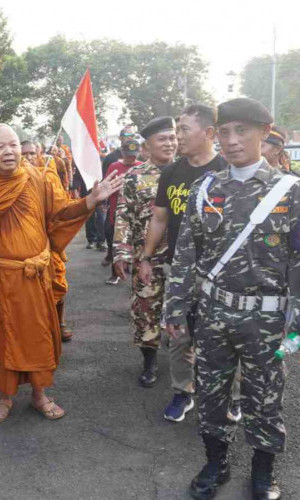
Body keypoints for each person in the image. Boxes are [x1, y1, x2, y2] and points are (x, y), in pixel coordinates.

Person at [0, 124, 124, 423]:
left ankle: (40, 395)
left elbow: (61, 214)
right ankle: (4, 395)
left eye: (13, 144)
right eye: (0, 147)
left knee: (39, 336)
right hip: (0, 277)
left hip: (35, 275)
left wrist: (92, 200)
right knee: (2, 339)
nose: (9, 151)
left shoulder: (39, 177)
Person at [165, 98, 299, 500]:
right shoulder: (206, 188)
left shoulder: (289, 192)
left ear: (265, 133)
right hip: (214, 313)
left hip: (266, 319)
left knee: (265, 396)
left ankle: (263, 472)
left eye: (242, 131)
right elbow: (187, 252)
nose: (232, 141)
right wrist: (174, 305)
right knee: (211, 392)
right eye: (225, 132)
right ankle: (215, 462)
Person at [138, 105, 227, 423]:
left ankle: (229, 397)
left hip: (222, 274)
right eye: (176, 131)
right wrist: (146, 257)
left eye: (184, 130)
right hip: (181, 269)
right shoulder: (172, 172)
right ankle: (183, 392)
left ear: (208, 133)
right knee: (179, 334)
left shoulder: (226, 170)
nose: (177, 137)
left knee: (225, 337)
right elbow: (160, 217)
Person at [113, 116, 177, 388]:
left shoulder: (189, 173)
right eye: (162, 139)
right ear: (148, 145)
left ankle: (186, 362)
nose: (170, 143)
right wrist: (121, 252)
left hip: (183, 258)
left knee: (185, 311)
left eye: (173, 138)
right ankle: (150, 361)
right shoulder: (135, 177)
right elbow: (123, 215)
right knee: (146, 310)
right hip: (146, 258)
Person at [21, 140, 74, 342]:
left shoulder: (48, 176)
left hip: (48, 239)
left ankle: (60, 323)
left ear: (39, 154)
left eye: (32, 153)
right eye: (24, 154)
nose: (28, 157)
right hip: (24, 242)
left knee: (58, 282)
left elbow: (62, 207)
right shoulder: (11, 179)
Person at [103, 139, 142, 284]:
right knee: (115, 242)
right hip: (116, 213)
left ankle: (133, 271)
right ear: (122, 153)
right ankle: (115, 273)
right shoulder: (114, 167)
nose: (131, 158)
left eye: (134, 155)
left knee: (136, 243)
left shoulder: (143, 167)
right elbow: (105, 186)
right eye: (128, 155)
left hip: (136, 214)